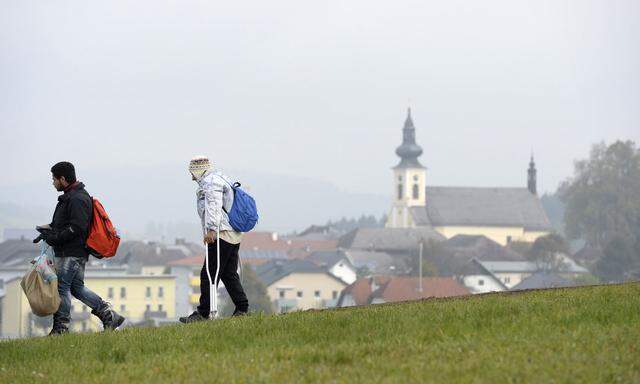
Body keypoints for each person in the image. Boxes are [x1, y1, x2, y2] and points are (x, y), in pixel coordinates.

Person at [38, 161, 125, 335]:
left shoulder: (77, 198)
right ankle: (109, 315)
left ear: (62, 179)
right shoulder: (70, 196)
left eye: (54, 179)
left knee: (62, 287)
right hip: (70, 251)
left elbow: (76, 228)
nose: (52, 182)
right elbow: (63, 223)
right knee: (76, 288)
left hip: (72, 252)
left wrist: (54, 238)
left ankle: (61, 328)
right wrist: (46, 230)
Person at [179, 156, 249, 323]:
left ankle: (203, 313)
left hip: (221, 232)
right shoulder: (219, 177)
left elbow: (213, 206)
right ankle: (242, 307)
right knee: (228, 273)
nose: (191, 177)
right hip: (233, 232)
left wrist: (211, 229)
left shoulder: (210, 183)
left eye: (192, 173)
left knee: (209, 272)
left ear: (197, 170)